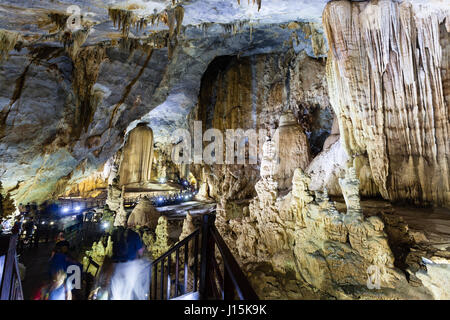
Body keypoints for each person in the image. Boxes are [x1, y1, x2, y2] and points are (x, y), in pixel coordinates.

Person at [90, 228, 150, 300]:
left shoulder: (116, 233)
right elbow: (140, 251)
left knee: (117, 291)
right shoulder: (135, 235)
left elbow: (112, 250)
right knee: (130, 291)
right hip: (130, 267)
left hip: (116, 267)